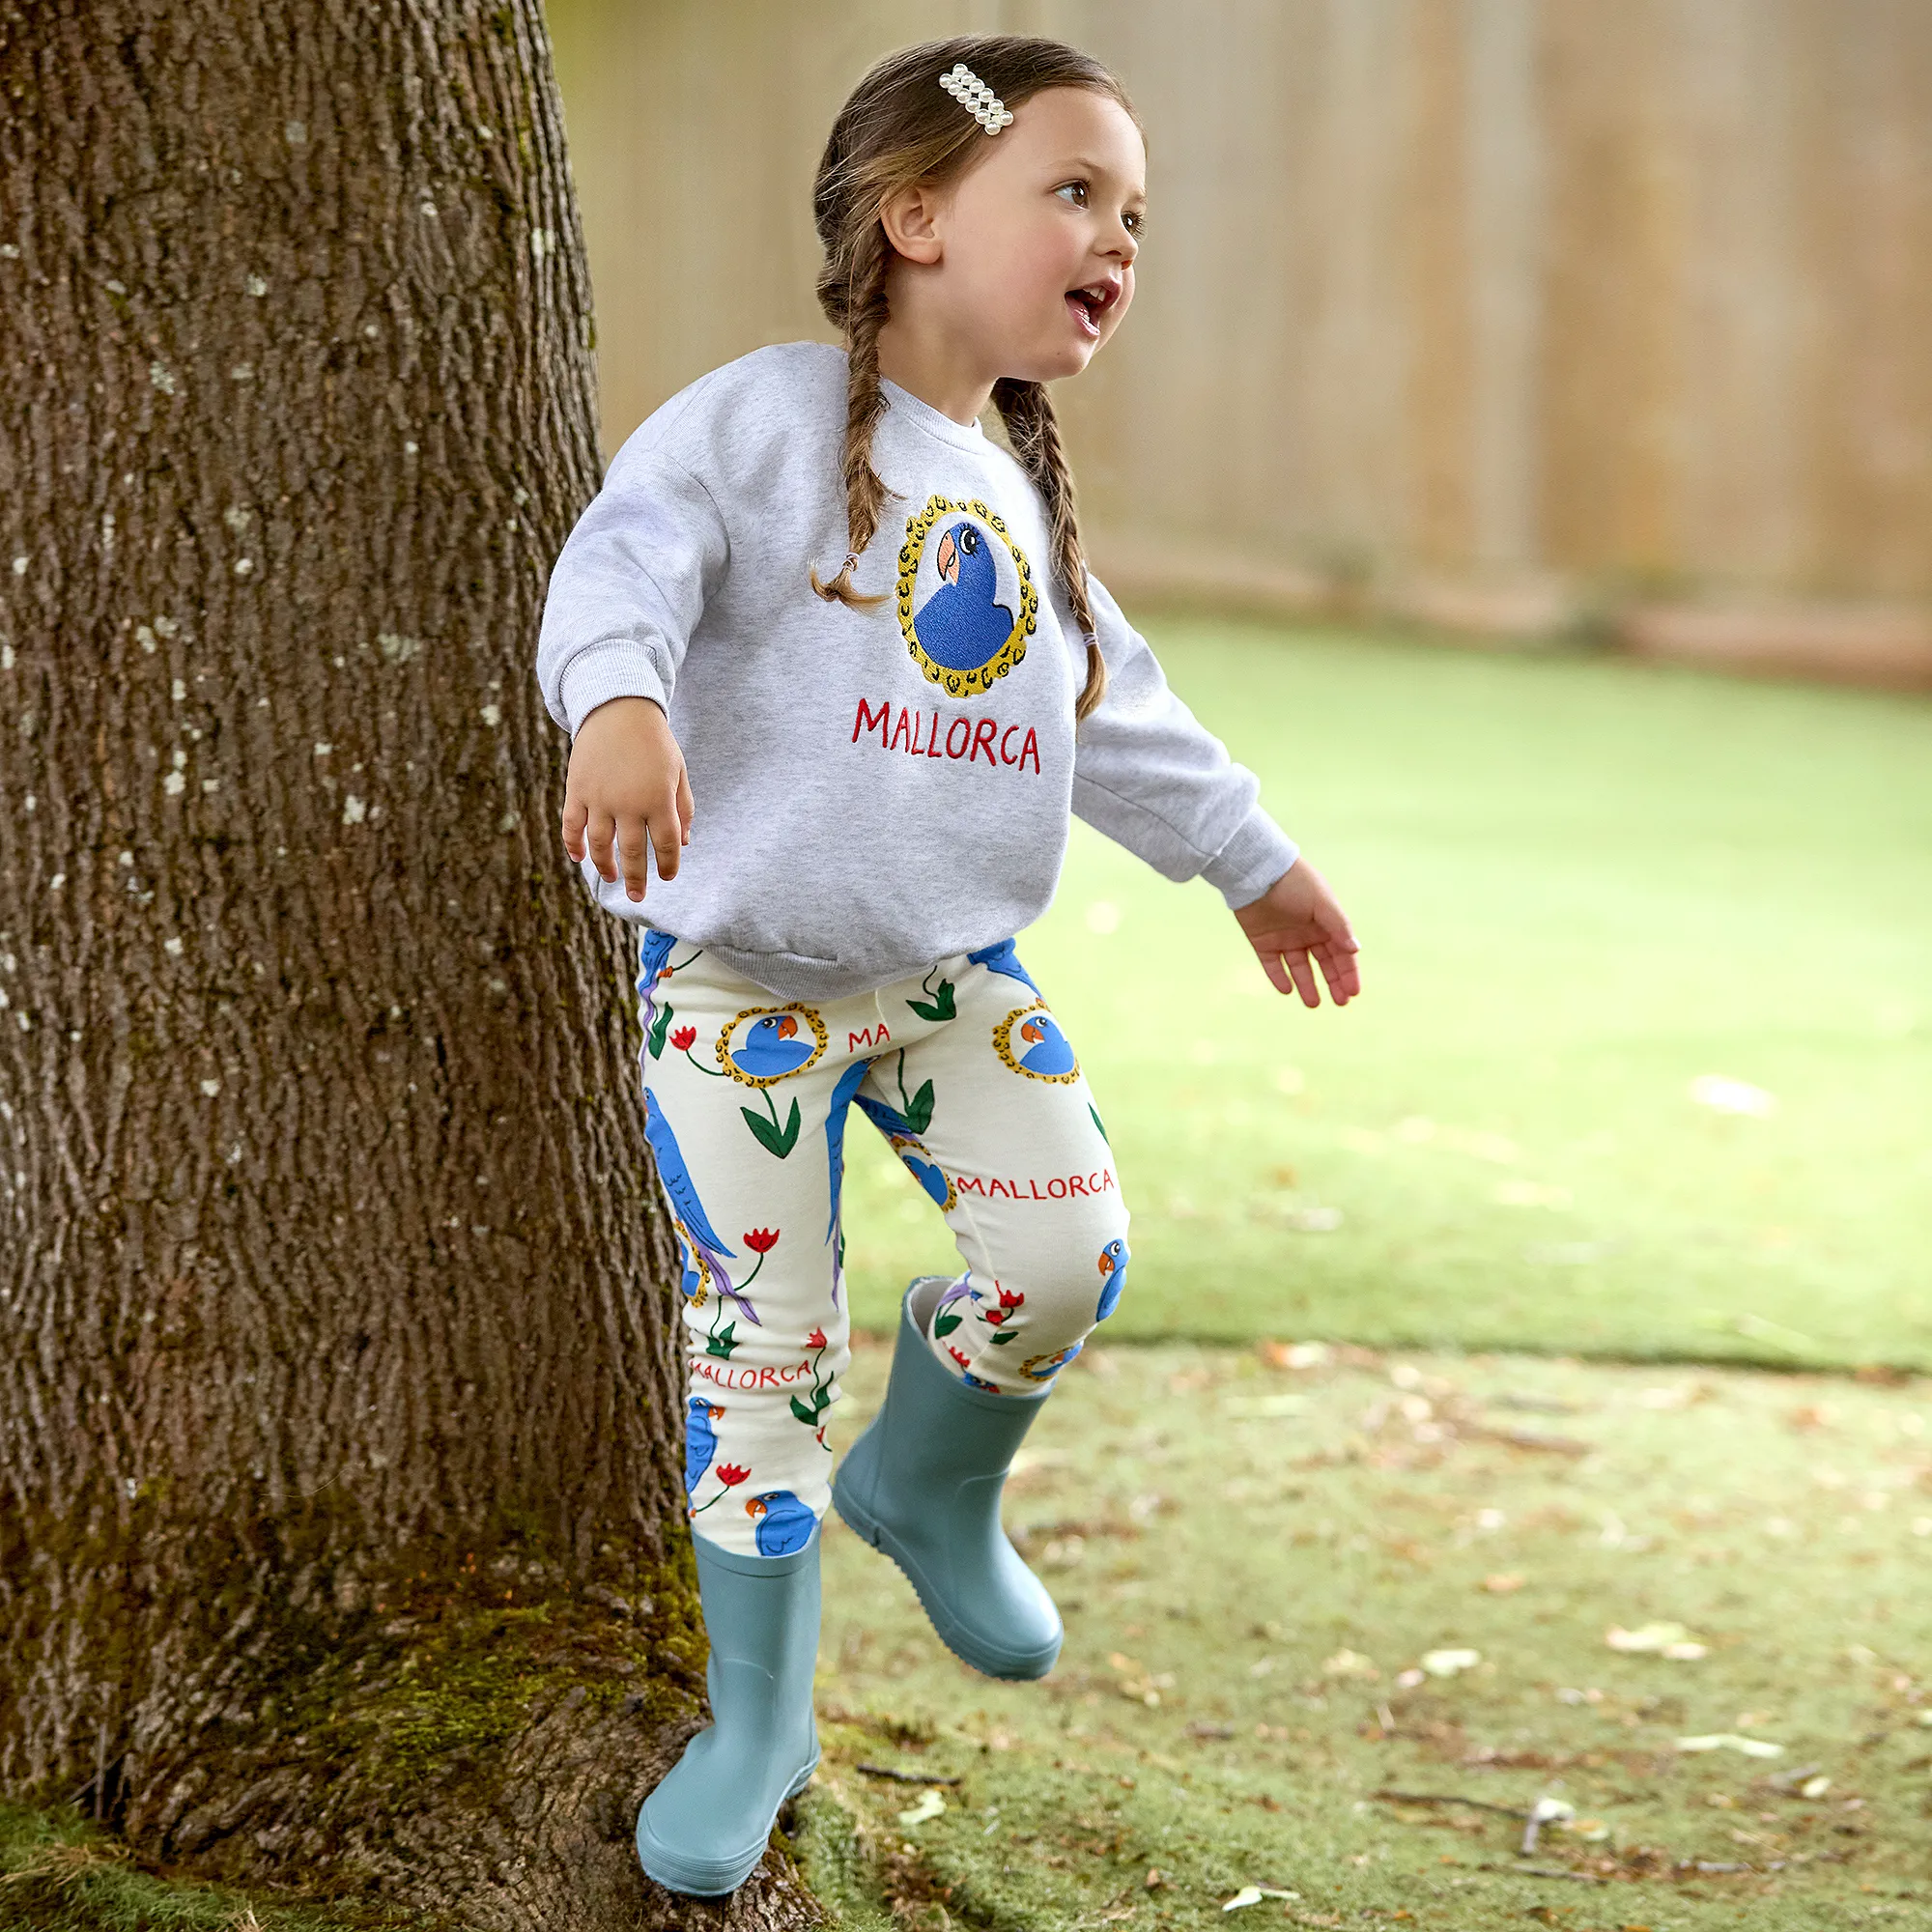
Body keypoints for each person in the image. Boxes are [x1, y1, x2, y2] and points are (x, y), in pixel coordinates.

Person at [535, 33, 1360, 1900]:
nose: (1119, 239)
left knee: (1071, 1253)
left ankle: (931, 1485)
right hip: (740, 991)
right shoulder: (757, 420)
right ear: (914, 218)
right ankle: (760, 1721)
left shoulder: (1015, 497)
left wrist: (1259, 867)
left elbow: (1120, 719)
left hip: (947, 978)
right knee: (763, 1358)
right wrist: (620, 707)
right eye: (1074, 192)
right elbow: (621, 565)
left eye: (1136, 214)